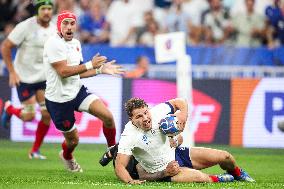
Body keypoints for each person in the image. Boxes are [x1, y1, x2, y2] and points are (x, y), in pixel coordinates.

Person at [43, 10, 124, 172]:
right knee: (73, 141)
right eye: (65, 23)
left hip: (77, 91)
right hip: (59, 100)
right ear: (59, 25)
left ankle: (113, 152)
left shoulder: (76, 43)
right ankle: (66, 156)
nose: (69, 27)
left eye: (72, 23)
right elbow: (64, 72)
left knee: (108, 117)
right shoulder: (53, 43)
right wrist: (90, 65)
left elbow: (78, 72)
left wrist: (100, 70)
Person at [105, 97, 255, 184]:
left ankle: (237, 173)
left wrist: (183, 116)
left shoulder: (157, 112)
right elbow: (120, 167)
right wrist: (130, 182)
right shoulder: (128, 135)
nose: (145, 118)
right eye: (139, 117)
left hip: (177, 153)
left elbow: (180, 102)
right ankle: (220, 179)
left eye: (146, 112)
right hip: (165, 170)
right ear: (131, 119)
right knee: (200, 177)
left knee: (225, 156)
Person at [1, 0, 56, 160]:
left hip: (43, 78)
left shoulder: (54, 29)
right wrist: (11, 72)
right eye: (43, 9)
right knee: (29, 116)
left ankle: (35, 151)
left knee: (47, 115)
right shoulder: (25, 26)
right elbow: (5, 46)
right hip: (24, 78)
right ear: (37, 11)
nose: (46, 12)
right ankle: (10, 109)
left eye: (49, 9)